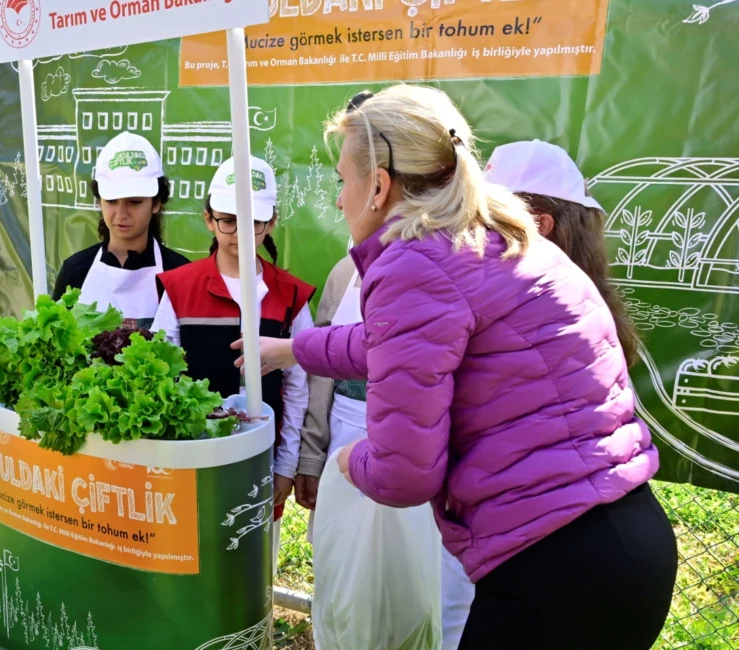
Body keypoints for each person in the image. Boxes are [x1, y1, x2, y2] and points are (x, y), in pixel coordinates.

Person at [237, 86, 678, 648]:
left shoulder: (415, 261)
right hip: (622, 541)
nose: (339, 200)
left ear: (377, 186)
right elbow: (396, 344)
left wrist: (351, 460)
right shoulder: (492, 239)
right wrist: (290, 350)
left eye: (342, 181)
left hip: (553, 567)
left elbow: (403, 473)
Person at [298, 252, 474, 650]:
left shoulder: (454, 273)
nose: (341, 201)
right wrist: (311, 454)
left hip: (425, 454)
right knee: (347, 573)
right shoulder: (343, 272)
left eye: (347, 186)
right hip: (344, 443)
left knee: (423, 581)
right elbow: (322, 374)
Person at [152, 155, 315, 571]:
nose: (242, 234)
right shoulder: (180, 287)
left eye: (255, 222)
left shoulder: (291, 295)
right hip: (191, 458)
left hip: (262, 461)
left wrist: (286, 465)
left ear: (272, 222)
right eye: (229, 221)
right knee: (193, 561)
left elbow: (297, 389)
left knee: (254, 567)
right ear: (208, 219)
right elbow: (159, 369)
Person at [485, 139, 639, 366]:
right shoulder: (588, 302)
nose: (473, 230)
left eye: (490, 218)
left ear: (540, 225)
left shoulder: (539, 310)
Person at [52, 131, 189, 329]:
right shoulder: (75, 271)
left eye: (134, 202)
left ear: (156, 203)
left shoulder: (180, 274)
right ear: (99, 201)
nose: (121, 213)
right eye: (111, 201)